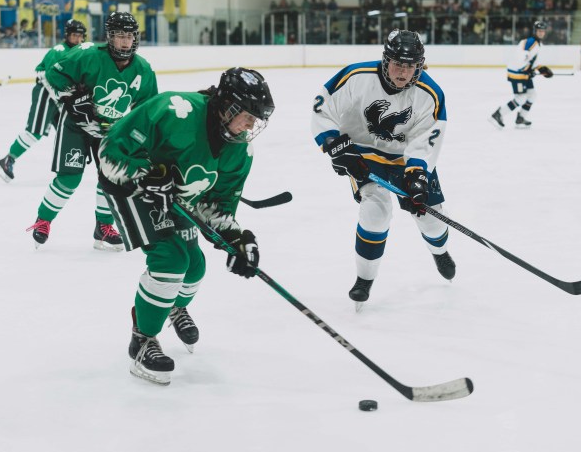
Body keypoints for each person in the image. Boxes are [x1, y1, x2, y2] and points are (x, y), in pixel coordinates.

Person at [97, 68, 275, 385]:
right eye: (247, 117)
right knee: (171, 260)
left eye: (255, 121)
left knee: (194, 266)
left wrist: (235, 239)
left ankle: (170, 308)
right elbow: (109, 152)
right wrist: (145, 174)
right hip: (132, 189)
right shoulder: (173, 110)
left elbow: (216, 207)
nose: (250, 126)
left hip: (177, 197)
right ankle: (142, 339)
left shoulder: (240, 150)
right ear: (228, 107)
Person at [310, 30, 454, 310]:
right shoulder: (357, 77)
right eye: (398, 64)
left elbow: (427, 137)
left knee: (431, 219)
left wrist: (417, 175)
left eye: (410, 66)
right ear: (386, 60)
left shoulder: (430, 93)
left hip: (407, 160)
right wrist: (334, 144)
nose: (403, 72)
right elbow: (321, 108)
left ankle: (441, 251)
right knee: (376, 212)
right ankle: (364, 279)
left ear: (419, 65)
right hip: (364, 157)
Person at [28, 11, 158, 251]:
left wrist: (138, 136)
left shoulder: (143, 70)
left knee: (110, 177)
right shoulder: (88, 54)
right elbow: (54, 73)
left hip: (112, 130)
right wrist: (73, 96)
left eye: (129, 36)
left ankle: (103, 227)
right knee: (69, 178)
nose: (125, 42)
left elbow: (149, 108)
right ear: (110, 37)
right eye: (120, 36)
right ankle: (43, 220)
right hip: (76, 125)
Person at [0, 19, 87, 183]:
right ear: (67, 36)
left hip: (61, 96)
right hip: (46, 93)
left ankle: (67, 165)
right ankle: (8, 159)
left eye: (80, 36)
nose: (78, 39)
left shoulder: (80, 52)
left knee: (67, 131)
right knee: (35, 131)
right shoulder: (58, 51)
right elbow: (43, 75)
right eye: (74, 36)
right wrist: (58, 95)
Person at [489, 20, 553, 129]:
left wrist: (541, 69)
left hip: (523, 73)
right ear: (535, 31)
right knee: (521, 98)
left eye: (543, 31)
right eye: (539, 31)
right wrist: (528, 69)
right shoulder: (531, 42)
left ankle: (521, 118)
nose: (541, 33)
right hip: (517, 73)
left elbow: (532, 61)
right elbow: (521, 58)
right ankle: (498, 114)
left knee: (532, 95)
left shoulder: (537, 43)